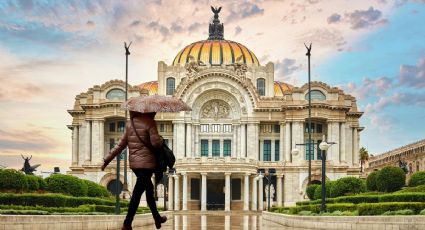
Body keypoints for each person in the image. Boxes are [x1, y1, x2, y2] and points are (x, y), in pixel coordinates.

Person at [101, 111, 167, 230]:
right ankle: (127, 223)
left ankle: (156, 218)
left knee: (149, 191)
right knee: (137, 194)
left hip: (135, 165)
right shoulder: (150, 123)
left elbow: (120, 145)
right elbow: (156, 144)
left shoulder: (129, 124)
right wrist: (161, 140)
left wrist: (107, 159)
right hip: (147, 164)